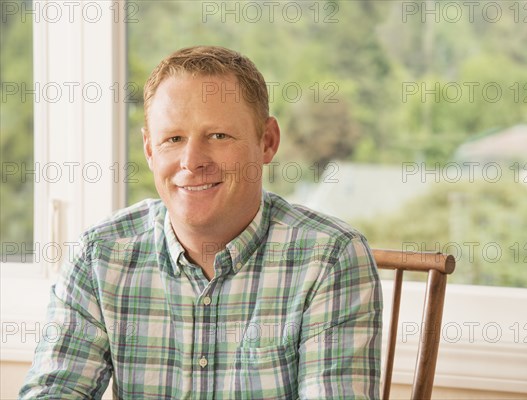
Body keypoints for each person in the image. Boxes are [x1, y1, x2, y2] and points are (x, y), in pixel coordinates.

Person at [19, 46, 382, 399]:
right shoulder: (99, 257)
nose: (192, 161)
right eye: (173, 138)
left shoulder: (330, 257)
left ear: (267, 141)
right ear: (149, 150)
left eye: (218, 136)